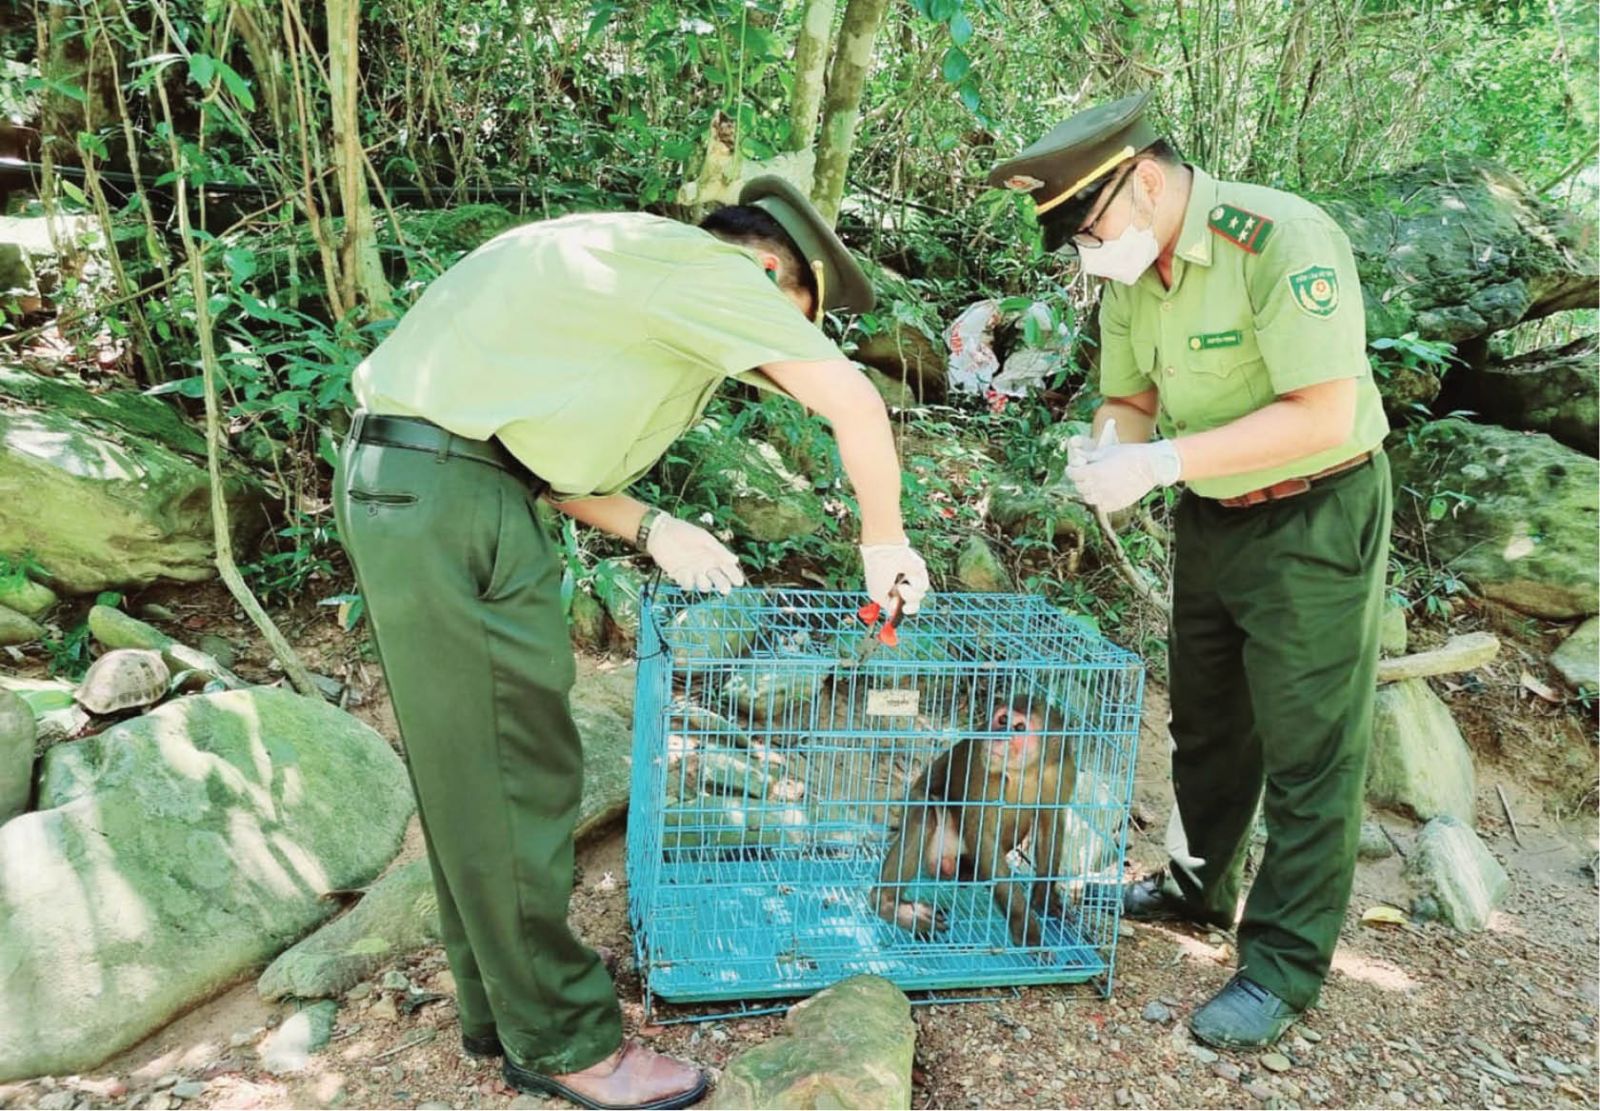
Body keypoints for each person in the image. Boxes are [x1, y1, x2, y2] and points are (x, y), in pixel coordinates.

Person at [333, 175, 931, 1109]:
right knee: (515, 768)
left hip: (422, 484)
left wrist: (653, 527)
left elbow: (528, 456)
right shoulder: (711, 271)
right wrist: (885, 541)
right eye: (801, 322)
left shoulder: (623, 257)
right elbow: (855, 402)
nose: (780, 354)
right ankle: (568, 1044)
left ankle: (504, 1012)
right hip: (452, 502)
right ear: (776, 271)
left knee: (468, 773)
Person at [987, 91, 1391, 1049]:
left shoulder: (1281, 239)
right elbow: (1128, 396)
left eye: (1090, 230)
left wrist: (1160, 461)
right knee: (1207, 719)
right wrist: (1106, 452)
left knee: (1308, 746)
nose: (1089, 255)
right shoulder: (1134, 273)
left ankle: (1282, 967)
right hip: (1215, 513)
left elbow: (1324, 412)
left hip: (1316, 508)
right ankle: (1197, 884)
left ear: (1150, 181)